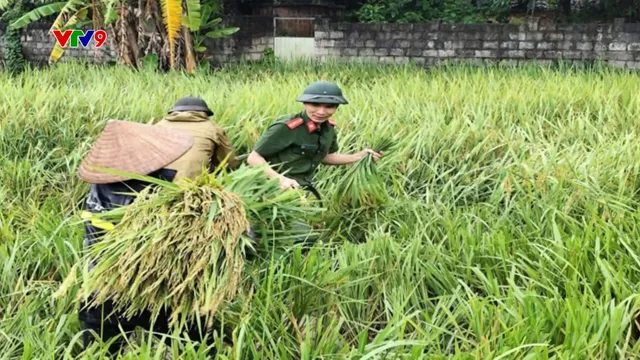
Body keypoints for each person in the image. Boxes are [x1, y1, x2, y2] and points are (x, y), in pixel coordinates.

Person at [76, 120, 231, 357]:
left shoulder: (101, 186)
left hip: (99, 289)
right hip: (158, 291)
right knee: (196, 348)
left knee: (101, 352)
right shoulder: (157, 194)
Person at [246, 81, 383, 201]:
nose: (321, 111)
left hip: (299, 190)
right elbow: (253, 157)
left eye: (329, 106)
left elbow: (325, 157)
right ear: (305, 103)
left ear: (336, 107)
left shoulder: (328, 129)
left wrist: (358, 157)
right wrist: (279, 179)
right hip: (269, 189)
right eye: (315, 104)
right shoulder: (287, 127)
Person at [154, 96, 239, 180]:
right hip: (191, 184)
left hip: (153, 182)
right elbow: (228, 161)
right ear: (204, 113)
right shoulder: (213, 128)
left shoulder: (157, 127)